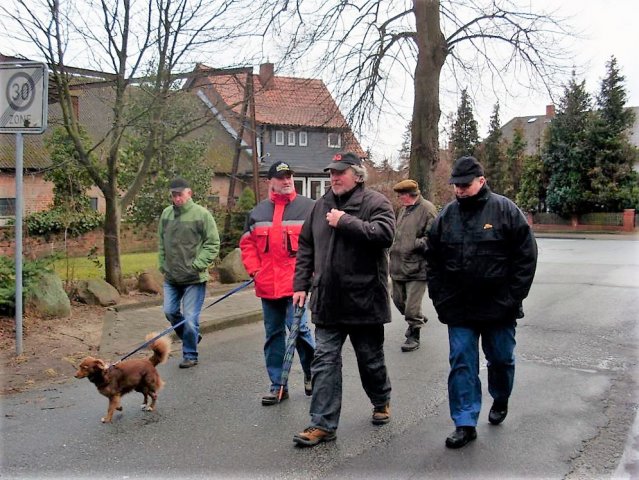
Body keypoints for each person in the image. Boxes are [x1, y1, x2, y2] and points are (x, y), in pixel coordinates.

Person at [425, 156, 538, 449]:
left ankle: (500, 396)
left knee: (501, 359)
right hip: (459, 308)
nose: (459, 190)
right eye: (456, 186)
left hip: (499, 307)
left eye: (465, 185)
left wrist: (513, 297)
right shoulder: (446, 217)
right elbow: (433, 261)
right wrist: (440, 299)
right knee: (462, 363)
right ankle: (464, 422)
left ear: (481, 181)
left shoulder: (505, 211)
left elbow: (526, 256)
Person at [291, 151, 396, 448]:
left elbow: (384, 235)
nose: (334, 177)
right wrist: (301, 284)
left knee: (370, 360)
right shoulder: (319, 207)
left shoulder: (377, 203)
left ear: (358, 176)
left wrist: (345, 221)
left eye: (340, 172)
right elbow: (306, 247)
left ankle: (381, 399)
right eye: (331, 173)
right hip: (328, 300)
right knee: (324, 361)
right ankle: (322, 424)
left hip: (365, 300)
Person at [239, 161, 316, 406]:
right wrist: (254, 270)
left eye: (289, 176)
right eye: (281, 177)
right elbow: (247, 244)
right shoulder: (258, 212)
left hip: (297, 286)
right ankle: (278, 385)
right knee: (273, 335)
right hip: (267, 286)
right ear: (270, 181)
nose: (286, 181)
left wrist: (312, 276)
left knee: (301, 332)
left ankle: (312, 374)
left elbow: (319, 244)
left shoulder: (308, 208)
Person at [158, 178, 220, 369]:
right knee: (169, 311)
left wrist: (198, 264)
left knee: (191, 318)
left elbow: (213, 243)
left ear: (189, 193)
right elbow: (161, 241)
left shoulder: (202, 215)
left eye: (180, 194)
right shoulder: (166, 214)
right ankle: (191, 336)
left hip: (194, 277)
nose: (177, 198)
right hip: (172, 276)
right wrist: (162, 264)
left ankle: (190, 354)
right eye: (174, 195)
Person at [389, 179, 438, 352]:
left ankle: (414, 333)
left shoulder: (427, 209)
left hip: (417, 267)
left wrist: (415, 244)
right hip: (398, 265)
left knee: (411, 307)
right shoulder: (404, 210)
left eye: (401, 195)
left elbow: (433, 238)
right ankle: (416, 317)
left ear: (411, 195)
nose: (399, 198)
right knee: (397, 300)